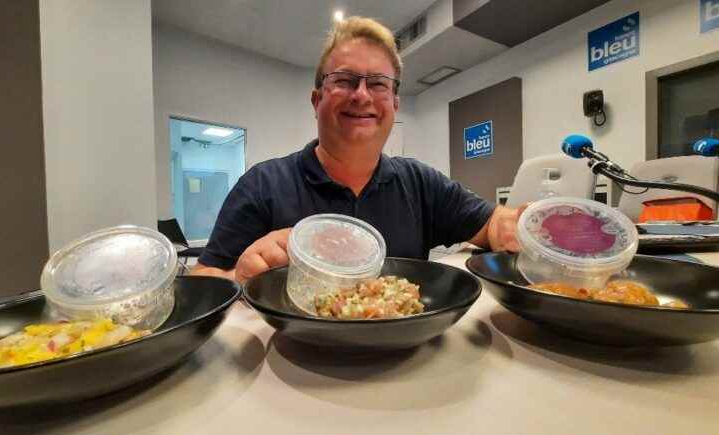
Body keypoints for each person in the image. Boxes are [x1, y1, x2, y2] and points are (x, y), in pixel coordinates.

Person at [191, 16, 524, 283]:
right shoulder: (262, 185)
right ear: (316, 99)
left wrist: (522, 228)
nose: (362, 95)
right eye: (345, 80)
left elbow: (493, 224)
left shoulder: (422, 183)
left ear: (394, 103)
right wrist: (239, 276)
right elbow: (202, 280)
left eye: (378, 83)